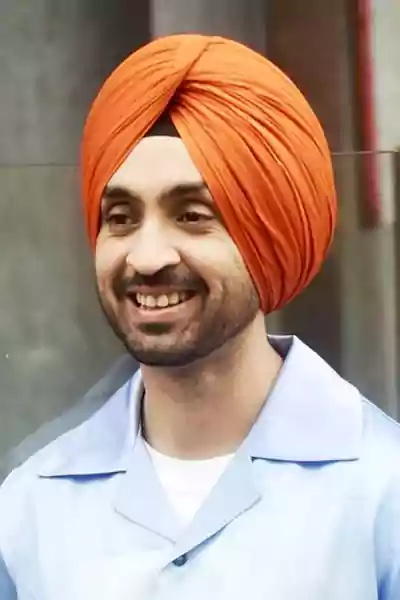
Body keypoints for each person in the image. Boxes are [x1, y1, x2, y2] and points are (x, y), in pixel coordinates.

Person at [0, 33, 399, 600]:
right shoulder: (29, 507)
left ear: (269, 235)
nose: (146, 257)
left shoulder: (383, 492)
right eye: (121, 217)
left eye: (191, 215)